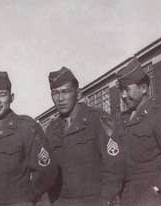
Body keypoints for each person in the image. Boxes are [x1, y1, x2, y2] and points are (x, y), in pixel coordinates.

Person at [0, 69, 56, 206]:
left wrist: (28, 198)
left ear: (11, 97)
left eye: (2, 95)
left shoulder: (27, 128)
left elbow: (47, 171)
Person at [45, 66, 124, 206]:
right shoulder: (52, 129)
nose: (60, 98)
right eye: (55, 93)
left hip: (95, 201)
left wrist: (105, 200)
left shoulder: (98, 119)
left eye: (65, 91)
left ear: (78, 93)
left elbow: (115, 167)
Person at [117, 58, 161, 206]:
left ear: (143, 88)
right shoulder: (123, 119)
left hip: (152, 199)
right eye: (121, 90)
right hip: (127, 196)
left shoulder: (159, 115)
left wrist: (157, 188)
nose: (123, 95)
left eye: (127, 90)